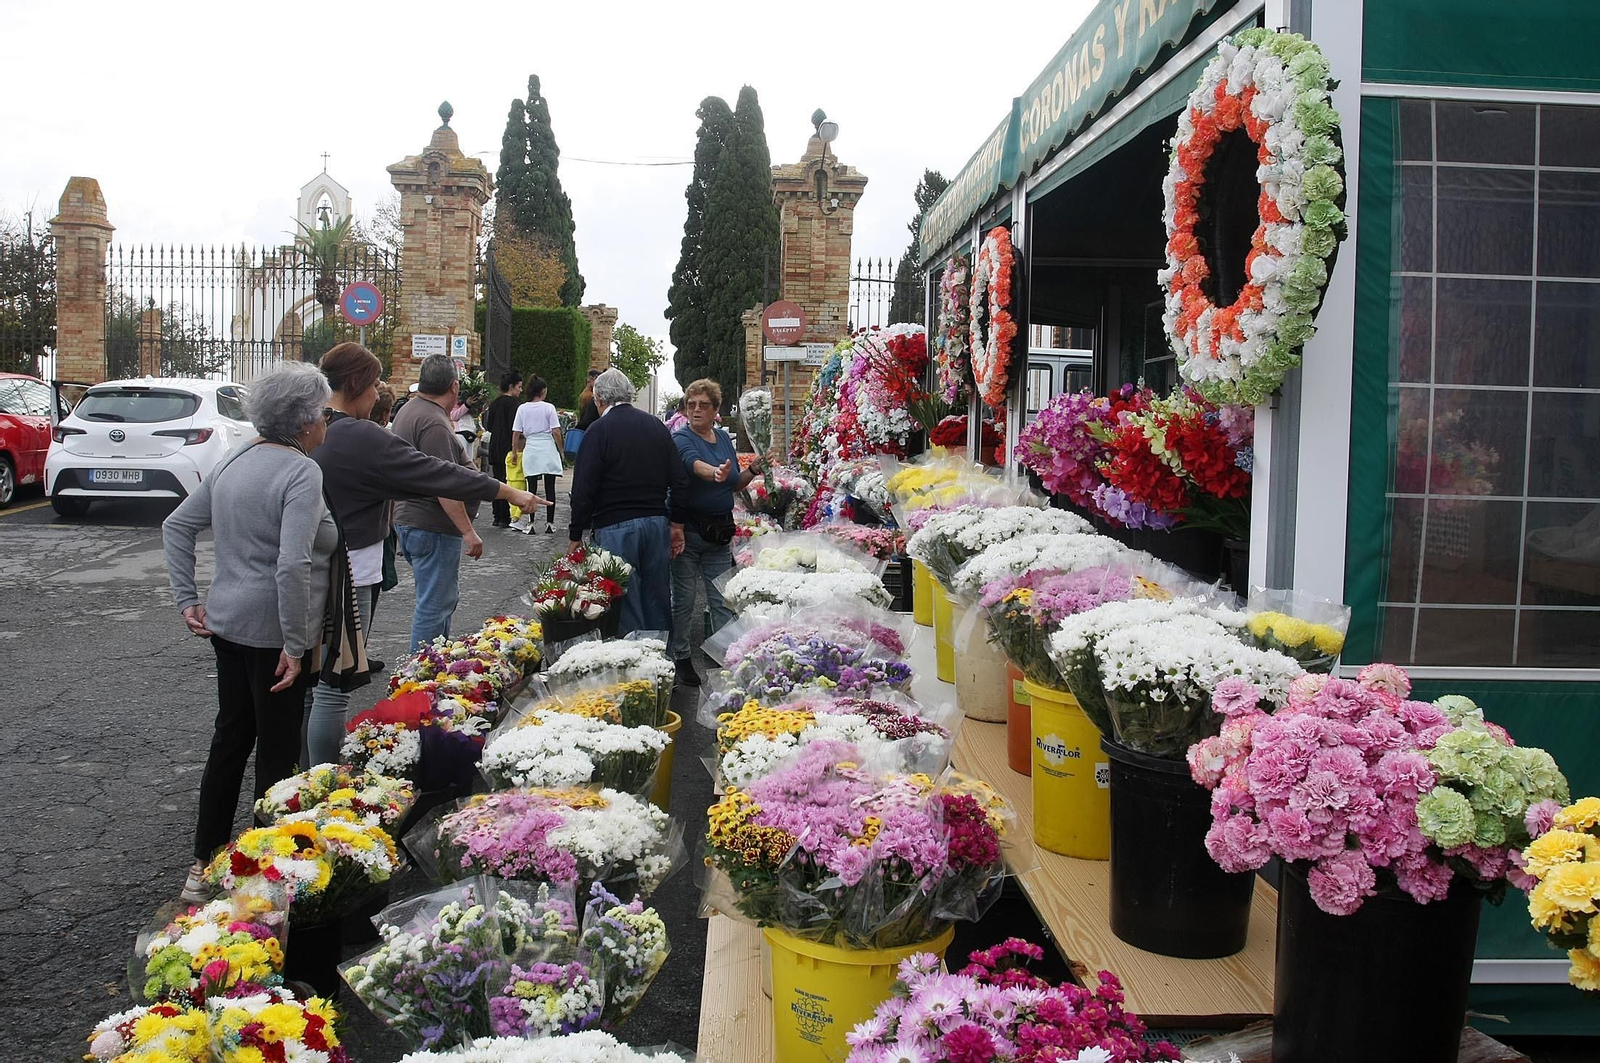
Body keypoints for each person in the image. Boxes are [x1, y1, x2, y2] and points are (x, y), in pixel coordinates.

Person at [304, 343, 541, 762]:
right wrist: (506, 492)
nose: (379, 394)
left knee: (310, 679)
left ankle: (296, 765)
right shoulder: (358, 433)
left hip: (303, 566)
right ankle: (319, 773)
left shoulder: (311, 428)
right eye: (375, 384)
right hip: (347, 568)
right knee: (332, 684)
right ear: (356, 384)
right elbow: (437, 475)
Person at [163, 361, 338, 901]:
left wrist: (187, 598)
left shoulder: (235, 458)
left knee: (231, 735)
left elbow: (177, 525)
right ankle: (264, 872)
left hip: (227, 619)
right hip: (273, 629)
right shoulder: (301, 471)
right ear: (306, 421)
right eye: (325, 414)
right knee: (278, 750)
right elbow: (291, 564)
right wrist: (293, 642)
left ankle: (205, 860)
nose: (327, 423)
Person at [392, 354, 543, 652]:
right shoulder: (433, 422)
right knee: (435, 604)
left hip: (413, 520)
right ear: (454, 386)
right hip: (431, 524)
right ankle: (420, 674)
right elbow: (446, 484)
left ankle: (430, 665)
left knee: (438, 600)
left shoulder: (411, 411)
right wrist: (468, 531)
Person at [568, 368, 687, 636]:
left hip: (615, 526)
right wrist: (677, 522)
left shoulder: (598, 431)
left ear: (599, 399)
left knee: (624, 603)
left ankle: (633, 669)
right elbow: (679, 479)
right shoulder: (656, 426)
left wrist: (576, 533)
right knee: (657, 600)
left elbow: (584, 487)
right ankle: (661, 667)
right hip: (656, 524)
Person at [668, 378, 764, 687]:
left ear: (715, 410)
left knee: (723, 599)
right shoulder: (681, 437)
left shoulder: (723, 438)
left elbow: (734, 482)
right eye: (691, 404)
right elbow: (692, 464)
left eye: (703, 405)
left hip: (720, 533)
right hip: (688, 532)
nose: (696, 410)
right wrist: (714, 472)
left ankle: (726, 656)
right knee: (683, 600)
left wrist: (752, 471)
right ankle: (680, 657)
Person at [511, 375, 564, 535]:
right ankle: (550, 522)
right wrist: (561, 450)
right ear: (542, 391)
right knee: (550, 487)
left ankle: (531, 522)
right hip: (547, 446)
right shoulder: (549, 408)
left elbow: (516, 433)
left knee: (531, 487)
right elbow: (555, 431)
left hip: (532, 447)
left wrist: (514, 452)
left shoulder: (522, 408)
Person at [482, 371, 524, 528]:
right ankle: (507, 515)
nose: (520, 390)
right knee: (510, 481)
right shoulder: (514, 405)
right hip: (508, 446)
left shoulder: (495, 403)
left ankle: (497, 515)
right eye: (519, 387)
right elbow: (516, 428)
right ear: (511, 387)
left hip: (495, 445)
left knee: (497, 480)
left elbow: (489, 426)